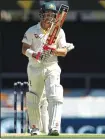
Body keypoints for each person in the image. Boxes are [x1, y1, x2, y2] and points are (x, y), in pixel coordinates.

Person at [21, 2, 74, 136]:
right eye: (47, 14)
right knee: (34, 98)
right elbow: (24, 48)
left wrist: (54, 50)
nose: (49, 17)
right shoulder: (32, 30)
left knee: (55, 94)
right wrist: (35, 54)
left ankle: (54, 127)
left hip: (51, 66)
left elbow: (64, 51)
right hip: (35, 67)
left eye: (52, 14)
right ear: (41, 14)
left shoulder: (59, 31)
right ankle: (34, 128)